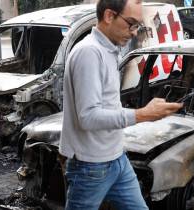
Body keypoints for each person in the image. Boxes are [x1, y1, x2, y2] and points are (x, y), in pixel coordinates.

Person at [59, 0, 182, 209]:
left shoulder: (110, 50)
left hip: (116, 157)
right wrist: (142, 114)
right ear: (109, 16)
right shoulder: (89, 52)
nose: (134, 33)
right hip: (90, 165)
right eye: (131, 24)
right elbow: (88, 117)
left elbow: (108, 105)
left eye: (138, 26)